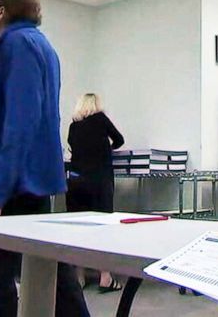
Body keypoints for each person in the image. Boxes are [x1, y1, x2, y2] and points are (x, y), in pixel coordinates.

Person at [0, 0, 90, 317]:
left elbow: (20, 121)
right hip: (29, 182)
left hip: (5, 189)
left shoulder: (17, 46)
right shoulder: (41, 46)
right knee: (48, 274)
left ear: (1, 12)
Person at [66, 92, 124, 292]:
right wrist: (106, 148)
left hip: (76, 182)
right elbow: (119, 140)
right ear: (96, 105)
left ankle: (79, 276)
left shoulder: (73, 126)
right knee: (103, 228)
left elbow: (72, 147)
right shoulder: (101, 119)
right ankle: (105, 276)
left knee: (78, 228)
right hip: (99, 182)